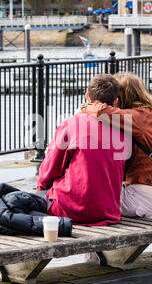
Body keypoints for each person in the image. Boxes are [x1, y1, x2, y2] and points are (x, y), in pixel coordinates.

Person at [36, 74, 131, 226]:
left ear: (87, 97)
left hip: (68, 209)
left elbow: (48, 170)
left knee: (31, 199)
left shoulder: (72, 123)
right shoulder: (123, 130)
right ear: (115, 102)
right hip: (108, 212)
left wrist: (42, 188)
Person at [81, 72, 152, 220]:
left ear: (121, 96)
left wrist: (85, 108)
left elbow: (100, 111)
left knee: (84, 197)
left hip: (140, 202)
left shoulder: (137, 117)